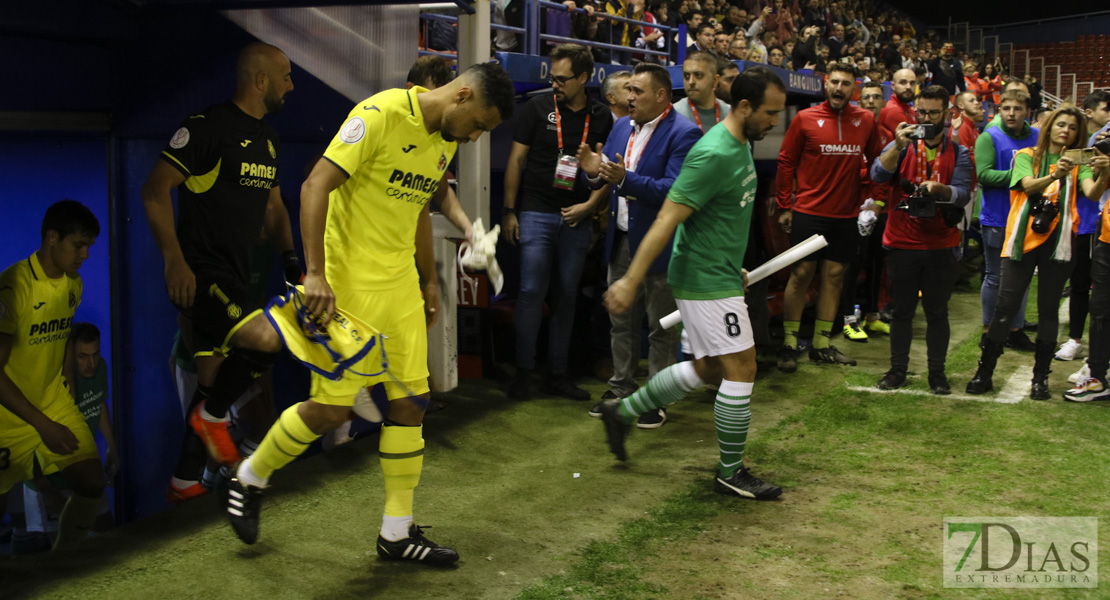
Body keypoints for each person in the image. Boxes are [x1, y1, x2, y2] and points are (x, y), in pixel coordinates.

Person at [224, 63, 515, 565]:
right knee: (331, 411)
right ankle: (250, 475)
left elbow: (431, 193)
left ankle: (396, 534)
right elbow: (315, 186)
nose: (475, 137)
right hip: (347, 291)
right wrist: (314, 273)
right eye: (480, 125)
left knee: (412, 402)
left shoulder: (444, 134)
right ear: (463, 95)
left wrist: (455, 245)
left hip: (399, 288)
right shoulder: (378, 115)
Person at [599, 66, 788, 500]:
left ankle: (622, 411)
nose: (774, 122)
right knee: (743, 366)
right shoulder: (714, 152)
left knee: (710, 367)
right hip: (703, 279)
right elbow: (669, 216)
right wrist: (631, 279)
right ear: (743, 107)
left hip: (716, 272)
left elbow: (715, 217)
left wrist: (731, 263)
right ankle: (730, 472)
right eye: (770, 113)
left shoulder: (738, 143)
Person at [141, 43, 298, 472]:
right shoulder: (207, 127)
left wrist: (291, 262)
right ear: (260, 80)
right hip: (199, 274)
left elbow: (275, 208)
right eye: (285, 76)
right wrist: (174, 260)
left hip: (236, 276)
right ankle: (212, 422)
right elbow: (154, 191)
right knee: (268, 339)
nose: (290, 85)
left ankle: (185, 479)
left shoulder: (268, 140)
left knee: (211, 381)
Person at [575, 63, 701, 428]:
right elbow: (606, 176)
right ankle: (620, 387)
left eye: (637, 91)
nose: (629, 97)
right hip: (622, 237)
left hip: (661, 242)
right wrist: (591, 169)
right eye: (628, 90)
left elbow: (675, 191)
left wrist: (626, 180)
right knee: (621, 320)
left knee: (660, 325)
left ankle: (656, 397)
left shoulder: (684, 133)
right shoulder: (619, 127)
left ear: (662, 96)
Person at [967, 106, 1109, 399]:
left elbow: (1093, 193)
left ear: (1077, 134)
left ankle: (1040, 378)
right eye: (1060, 125)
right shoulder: (1026, 156)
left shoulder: (1080, 162)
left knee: (1048, 311)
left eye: (1071, 127)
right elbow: (1027, 186)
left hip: (1060, 242)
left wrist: (1105, 173)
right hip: (1021, 240)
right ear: (1049, 128)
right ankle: (984, 372)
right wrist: (1055, 175)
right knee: (1005, 308)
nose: (1065, 131)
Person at [502, 44, 613, 401]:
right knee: (532, 291)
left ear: (583, 78)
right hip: (535, 211)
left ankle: (558, 374)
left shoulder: (600, 116)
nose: (555, 84)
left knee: (567, 295)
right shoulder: (536, 108)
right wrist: (509, 211)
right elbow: (516, 161)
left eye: (562, 79)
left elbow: (607, 173)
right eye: (552, 78)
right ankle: (523, 370)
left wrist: (591, 209)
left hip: (577, 217)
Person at [0, 200, 105, 549]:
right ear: (51, 238)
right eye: (79, 245)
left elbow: (60, 342)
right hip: (7, 414)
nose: (85, 255)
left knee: (92, 483)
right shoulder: (15, 286)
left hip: (51, 400)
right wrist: (43, 426)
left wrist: (66, 391)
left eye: (89, 246)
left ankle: (65, 563)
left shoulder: (73, 285)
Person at [775, 63, 882, 371]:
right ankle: (790, 343)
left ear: (854, 89)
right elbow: (786, 161)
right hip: (809, 213)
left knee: (834, 277)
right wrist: (785, 206)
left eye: (845, 83)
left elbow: (878, 161)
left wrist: (875, 201)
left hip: (846, 216)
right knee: (801, 276)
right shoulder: (805, 118)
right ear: (825, 84)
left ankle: (822, 344)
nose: (839, 88)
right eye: (834, 82)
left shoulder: (866, 120)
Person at [871, 86, 974, 393]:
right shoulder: (900, 144)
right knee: (902, 311)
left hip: (941, 244)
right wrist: (897, 147)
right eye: (921, 112)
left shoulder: (960, 152)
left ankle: (937, 373)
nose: (926, 118)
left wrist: (940, 190)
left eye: (933, 113)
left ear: (947, 114)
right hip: (902, 242)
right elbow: (877, 175)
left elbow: (963, 193)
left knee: (937, 312)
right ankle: (897, 370)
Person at [974, 89, 1039, 352]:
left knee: (1021, 275)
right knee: (994, 277)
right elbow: (984, 176)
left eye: (1017, 109)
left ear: (1027, 112)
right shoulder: (989, 137)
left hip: (1027, 218)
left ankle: (1015, 329)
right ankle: (989, 330)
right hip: (997, 218)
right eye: (1006, 108)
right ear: (999, 110)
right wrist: (1021, 177)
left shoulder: (1037, 137)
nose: (1011, 113)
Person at [1059, 91, 1110, 362]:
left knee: (1101, 291)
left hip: (1098, 222)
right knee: (1079, 284)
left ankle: (1098, 354)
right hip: (1079, 223)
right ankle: (1076, 340)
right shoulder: (1076, 147)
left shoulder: (1103, 141)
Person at [674, 51, 730, 134]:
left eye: (698, 75)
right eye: (686, 76)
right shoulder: (673, 115)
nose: (691, 82)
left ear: (715, 81)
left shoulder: (730, 115)